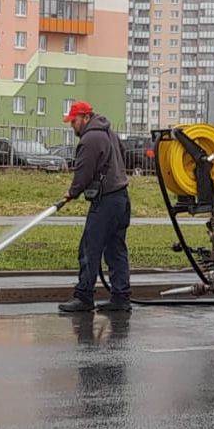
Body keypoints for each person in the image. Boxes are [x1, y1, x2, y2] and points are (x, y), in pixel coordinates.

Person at [57, 101, 132, 314]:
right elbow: (123, 153)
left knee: (90, 249)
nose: (72, 125)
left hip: (106, 201)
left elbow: (84, 170)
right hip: (122, 199)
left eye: (74, 121)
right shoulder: (110, 133)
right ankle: (121, 297)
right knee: (116, 249)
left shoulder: (90, 139)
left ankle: (84, 297)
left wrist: (72, 192)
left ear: (85, 117)